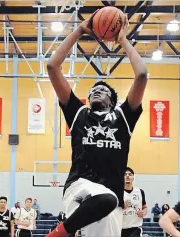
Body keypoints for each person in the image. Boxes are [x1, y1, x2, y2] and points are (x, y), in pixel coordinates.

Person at [46, 10, 147, 237]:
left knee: (109, 199)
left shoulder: (122, 117)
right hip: (80, 186)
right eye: (92, 91)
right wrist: (80, 30)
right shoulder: (79, 114)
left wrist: (122, 40)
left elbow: (141, 75)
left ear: (112, 100)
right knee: (105, 198)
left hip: (113, 202)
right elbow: (53, 67)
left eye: (102, 90)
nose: (95, 92)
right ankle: (58, 234)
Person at [122, 167, 147, 237]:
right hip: (120, 228)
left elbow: (144, 207)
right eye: (125, 174)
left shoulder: (140, 192)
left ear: (133, 178)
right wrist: (122, 207)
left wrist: (144, 212)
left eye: (130, 174)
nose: (127, 176)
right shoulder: (118, 192)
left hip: (135, 228)